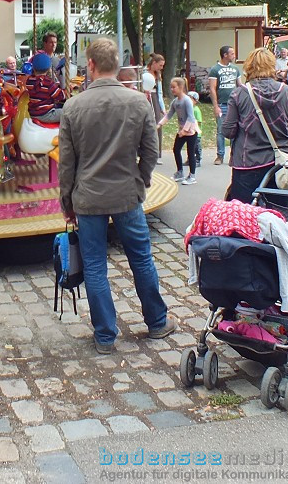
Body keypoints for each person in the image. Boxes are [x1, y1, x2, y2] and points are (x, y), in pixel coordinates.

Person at [58, 37, 173, 354]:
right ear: (117, 66)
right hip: (126, 195)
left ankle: (106, 335)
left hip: (88, 197)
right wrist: (141, 179)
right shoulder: (137, 103)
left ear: (90, 65)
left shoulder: (73, 107)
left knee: (94, 266)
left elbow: (66, 165)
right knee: (141, 258)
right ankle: (157, 322)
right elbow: (151, 151)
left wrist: (66, 203)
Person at [221, 47, 288, 203]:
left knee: (244, 214)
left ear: (249, 67)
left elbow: (228, 131)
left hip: (247, 161)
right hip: (280, 163)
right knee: (280, 214)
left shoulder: (240, 93)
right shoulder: (287, 91)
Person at [156, 77, 198, 185]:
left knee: (190, 152)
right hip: (182, 131)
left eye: (174, 87)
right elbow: (169, 115)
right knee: (176, 149)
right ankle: (180, 172)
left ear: (181, 87)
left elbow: (191, 117)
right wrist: (160, 124)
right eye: (171, 87)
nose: (172, 89)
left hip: (191, 131)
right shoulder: (175, 102)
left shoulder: (187, 100)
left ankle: (192, 176)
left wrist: (185, 131)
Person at [207, 46, 240, 165]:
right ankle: (220, 156)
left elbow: (239, 85)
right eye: (232, 53)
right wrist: (216, 106)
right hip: (222, 104)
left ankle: (234, 155)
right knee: (221, 130)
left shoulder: (235, 69)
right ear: (225, 55)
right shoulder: (215, 69)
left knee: (235, 130)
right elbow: (212, 88)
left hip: (235, 104)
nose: (234, 55)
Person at [26, 53, 65, 122]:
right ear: (48, 69)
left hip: (32, 113)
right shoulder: (48, 82)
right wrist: (67, 90)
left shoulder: (29, 80)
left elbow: (41, 90)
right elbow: (60, 96)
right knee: (68, 113)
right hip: (45, 114)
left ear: (33, 67)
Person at [144, 54, 166, 160]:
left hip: (155, 99)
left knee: (158, 124)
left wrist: (162, 108)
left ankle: (157, 153)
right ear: (154, 63)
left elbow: (160, 93)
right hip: (145, 97)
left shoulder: (158, 75)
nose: (161, 68)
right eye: (160, 65)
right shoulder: (144, 73)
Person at [188, 90, 204, 166]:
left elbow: (199, 121)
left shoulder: (196, 110)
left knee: (196, 147)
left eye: (190, 98)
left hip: (196, 133)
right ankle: (190, 159)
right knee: (190, 147)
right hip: (189, 132)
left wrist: (193, 124)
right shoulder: (189, 109)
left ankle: (197, 160)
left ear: (195, 100)